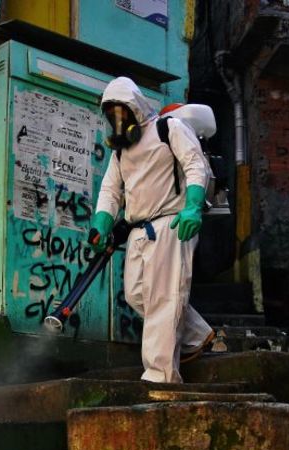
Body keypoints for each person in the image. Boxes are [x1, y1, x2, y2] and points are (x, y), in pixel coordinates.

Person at [92, 77, 215, 384]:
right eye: (112, 116)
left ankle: (160, 376)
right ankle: (197, 335)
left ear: (134, 107)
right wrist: (101, 222)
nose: (118, 121)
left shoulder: (168, 128)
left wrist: (193, 206)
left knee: (162, 299)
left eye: (122, 112)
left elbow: (194, 164)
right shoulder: (120, 152)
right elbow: (110, 190)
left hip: (172, 222)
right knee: (137, 296)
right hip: (138, 230)